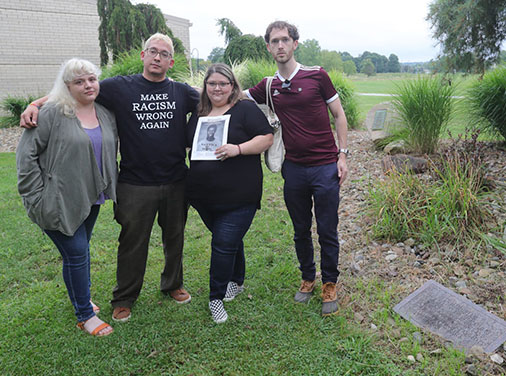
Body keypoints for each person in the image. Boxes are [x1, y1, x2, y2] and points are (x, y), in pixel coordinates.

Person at [20, 33, 200, 323]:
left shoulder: (181, 92)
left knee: (174, 238)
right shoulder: (119, 87)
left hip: (177, 179)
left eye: (164, 54)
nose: (157, 57)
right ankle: (124, 297)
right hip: (134, 183)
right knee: (132, 242)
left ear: (171, 61)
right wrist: (36, 104)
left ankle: (173, 284)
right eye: (152, 51)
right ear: (143, 55)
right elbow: (76, 90)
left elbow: (219, 97)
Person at [245, 21, 349, 316]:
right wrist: (202, 91)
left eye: (284, 40)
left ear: (295, 44)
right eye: (274, 41)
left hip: (325, 167)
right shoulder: (268, 86)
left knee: (327, 229)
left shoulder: (317, 76)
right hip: (294, 170)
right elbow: (235, 96)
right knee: (300, 229)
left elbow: (339, 115)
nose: (280, 46)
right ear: (268, 47)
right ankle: (308, 277)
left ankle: (330, 282)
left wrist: (343, 156)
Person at [16, 58, 118, 336]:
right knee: (76, 253)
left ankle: (81, 299)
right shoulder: (51, 113)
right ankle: (85, 315)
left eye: (91, 79)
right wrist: (36, 195)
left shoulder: (105, 113)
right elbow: (26, 158)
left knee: (77, 254)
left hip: (91, 196)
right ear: (67, 86)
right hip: (56, 200)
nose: (87, 85)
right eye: (79, 81)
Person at [186, 63, 273, 323]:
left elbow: (266, 137)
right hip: (204, 196)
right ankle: (237, 279)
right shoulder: (199, 113)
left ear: (233, 86)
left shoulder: (244, 109)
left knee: (222, 244)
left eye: (223, 83)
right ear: (205, 86)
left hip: (239, 194)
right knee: (229, 240)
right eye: (212, 83)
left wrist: (238, 148)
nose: (217, 88)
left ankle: (215, 298)